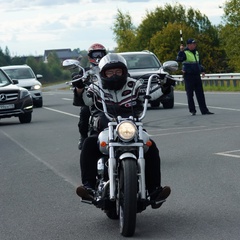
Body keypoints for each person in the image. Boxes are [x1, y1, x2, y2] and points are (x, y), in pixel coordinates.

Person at [75, 53, 172, 209]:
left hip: (131, 128)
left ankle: (154, 191)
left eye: (118, 71)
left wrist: (165, 85)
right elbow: (86, 100)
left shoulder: (134, 85)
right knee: (88, 144)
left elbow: (150, 95)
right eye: (110, 72)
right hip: (104, 128)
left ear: (124, 71)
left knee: (151, 147)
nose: (114, 75)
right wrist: (79, 87)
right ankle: (89, 187)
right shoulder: (96, 86)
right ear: (103, 73)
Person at [72, 43, 107, 150]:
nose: (98, 57)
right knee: (85, 111)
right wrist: (79, 80)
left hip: (110, 97)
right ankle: (83, 137)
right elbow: (78, 81)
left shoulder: (109, 68)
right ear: (89, 56)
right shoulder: (85, 71)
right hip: (92, 97)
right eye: (95, 54)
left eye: (100, 54)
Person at [176, 38, 214, 115]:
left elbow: (198, 63)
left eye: (195, 44)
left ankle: (204, 110)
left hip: (196, 75)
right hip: (188, 75)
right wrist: (181, 51)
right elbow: (179, 59)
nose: (194, 45)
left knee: (200, 94)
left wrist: (202, 70)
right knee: (190, 94)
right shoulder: (185, 52)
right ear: (189, 45)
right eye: (193, 44)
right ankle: (192, 110)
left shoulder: (196, 52)